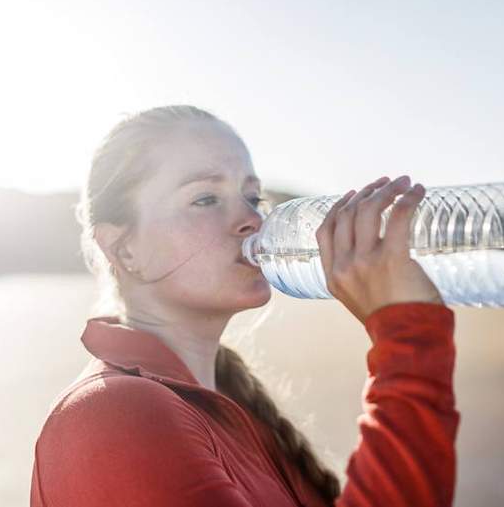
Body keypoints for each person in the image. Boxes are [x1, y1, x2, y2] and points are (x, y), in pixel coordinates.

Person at [29, 105, 460, 507]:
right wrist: (407, 338)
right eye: (205, 199)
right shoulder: (113, 414)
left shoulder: (231, 405)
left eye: (253, 198)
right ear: (124, 250)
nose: (253, 220)